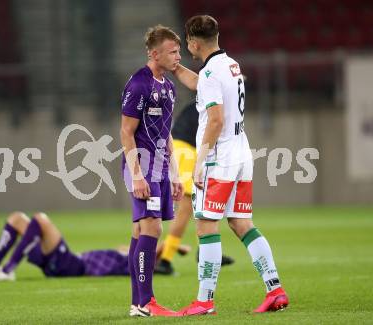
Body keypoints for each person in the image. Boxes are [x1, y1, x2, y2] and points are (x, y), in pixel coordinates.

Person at [171, 15, 289, 315]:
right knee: (241, 223)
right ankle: (275, 290)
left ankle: (204, 300)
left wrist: (199, 162)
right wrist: (174, 68)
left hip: (218, 158)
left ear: (194, 42)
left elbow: (216, 119)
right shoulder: (230, 66)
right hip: (241, 154)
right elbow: (201, 85)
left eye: (187, 44)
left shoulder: (211, 73)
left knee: (206, 227)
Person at [120, 25, 183, 317]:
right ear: (155, 53)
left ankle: (137, 303)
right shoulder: (138, 84)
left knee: (140, 230)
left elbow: (167, 133)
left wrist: (175, 173)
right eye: (173, 51)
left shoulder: (169, 87)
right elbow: (125, 132)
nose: (178, 56)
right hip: (142, 168)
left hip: (160, 169)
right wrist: (136, 174)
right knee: (152, 227)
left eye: (179, 51)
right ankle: (147, 302)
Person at [155, 101, 235, 275]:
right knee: (186, 209)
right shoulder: (213, 104)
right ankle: (165, 260)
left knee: (202, 204)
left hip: (184, 150)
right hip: (186, 151)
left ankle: (204, 251)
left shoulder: (200, 103)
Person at [0, 211, 129, 282]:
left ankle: (7, 271)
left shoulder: (139, 261)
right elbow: (124, 247)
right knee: (16, 218)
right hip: (63, 262)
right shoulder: (128, 253)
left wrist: (155, 247)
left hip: (73, 266)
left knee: (41, 219)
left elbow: (154, 250)